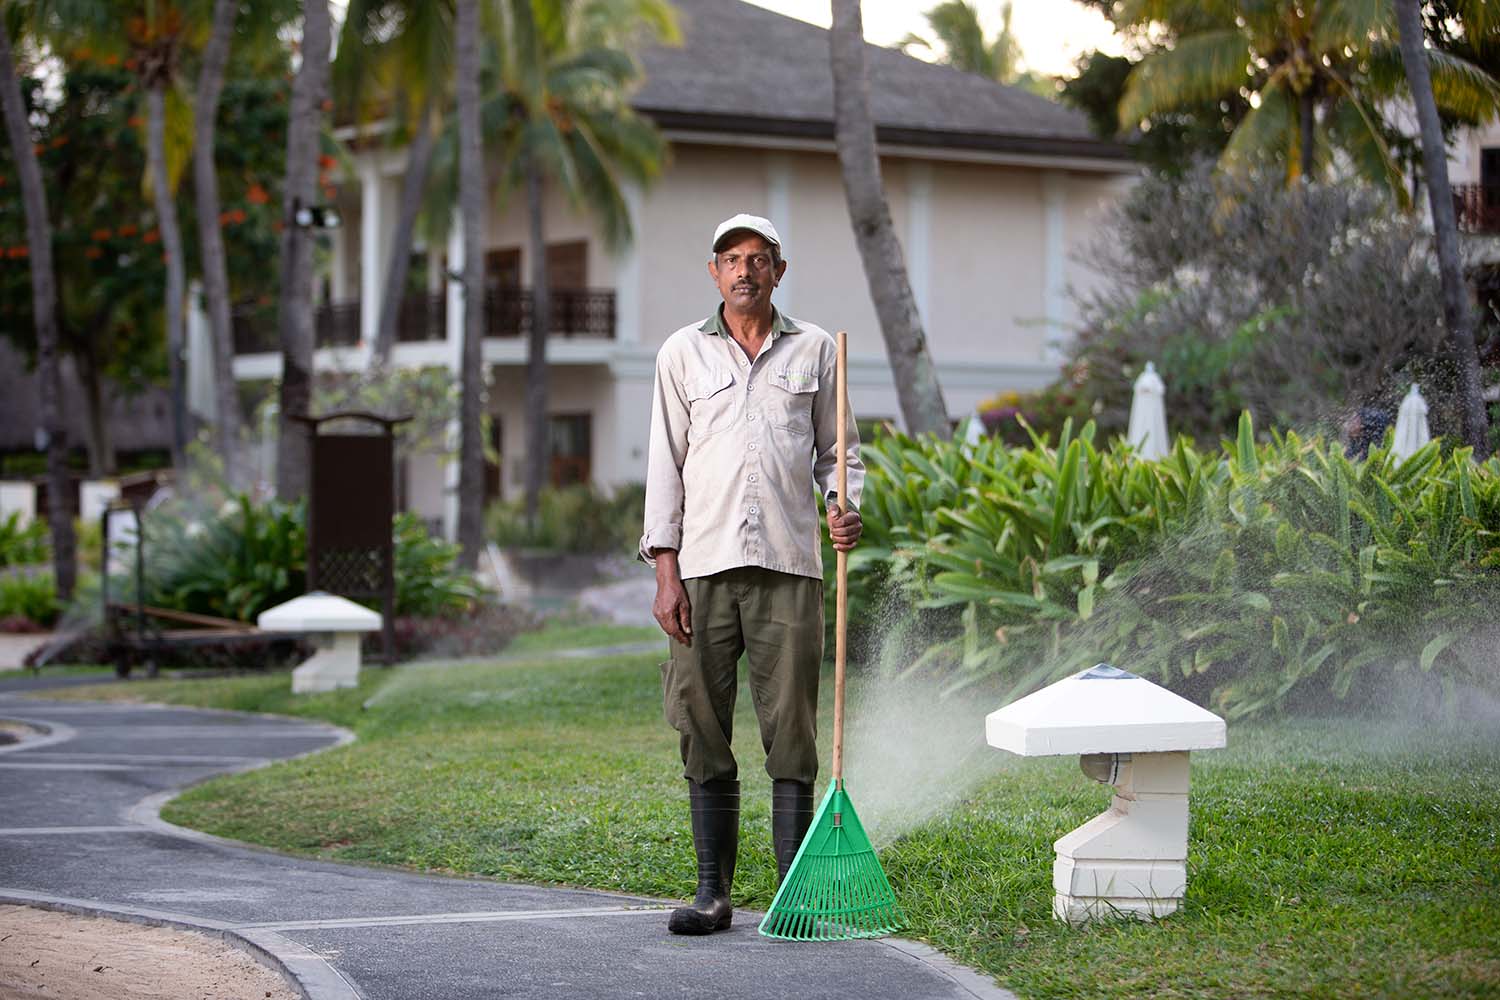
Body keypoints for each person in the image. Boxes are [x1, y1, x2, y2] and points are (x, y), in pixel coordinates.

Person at [639, 213, 864, 936]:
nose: (744, 270)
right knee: (700, 725)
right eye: (731, 259)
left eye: (758, 259)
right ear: (714, 273)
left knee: (792, 731)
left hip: (790, 565)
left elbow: (839, 453)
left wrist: (842, 503)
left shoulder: (817, 350)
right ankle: (714, 895)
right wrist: (664, 571)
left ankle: (794, 896)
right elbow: (662, 467)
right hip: (701, 568)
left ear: (778, 271)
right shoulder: (682, 353)